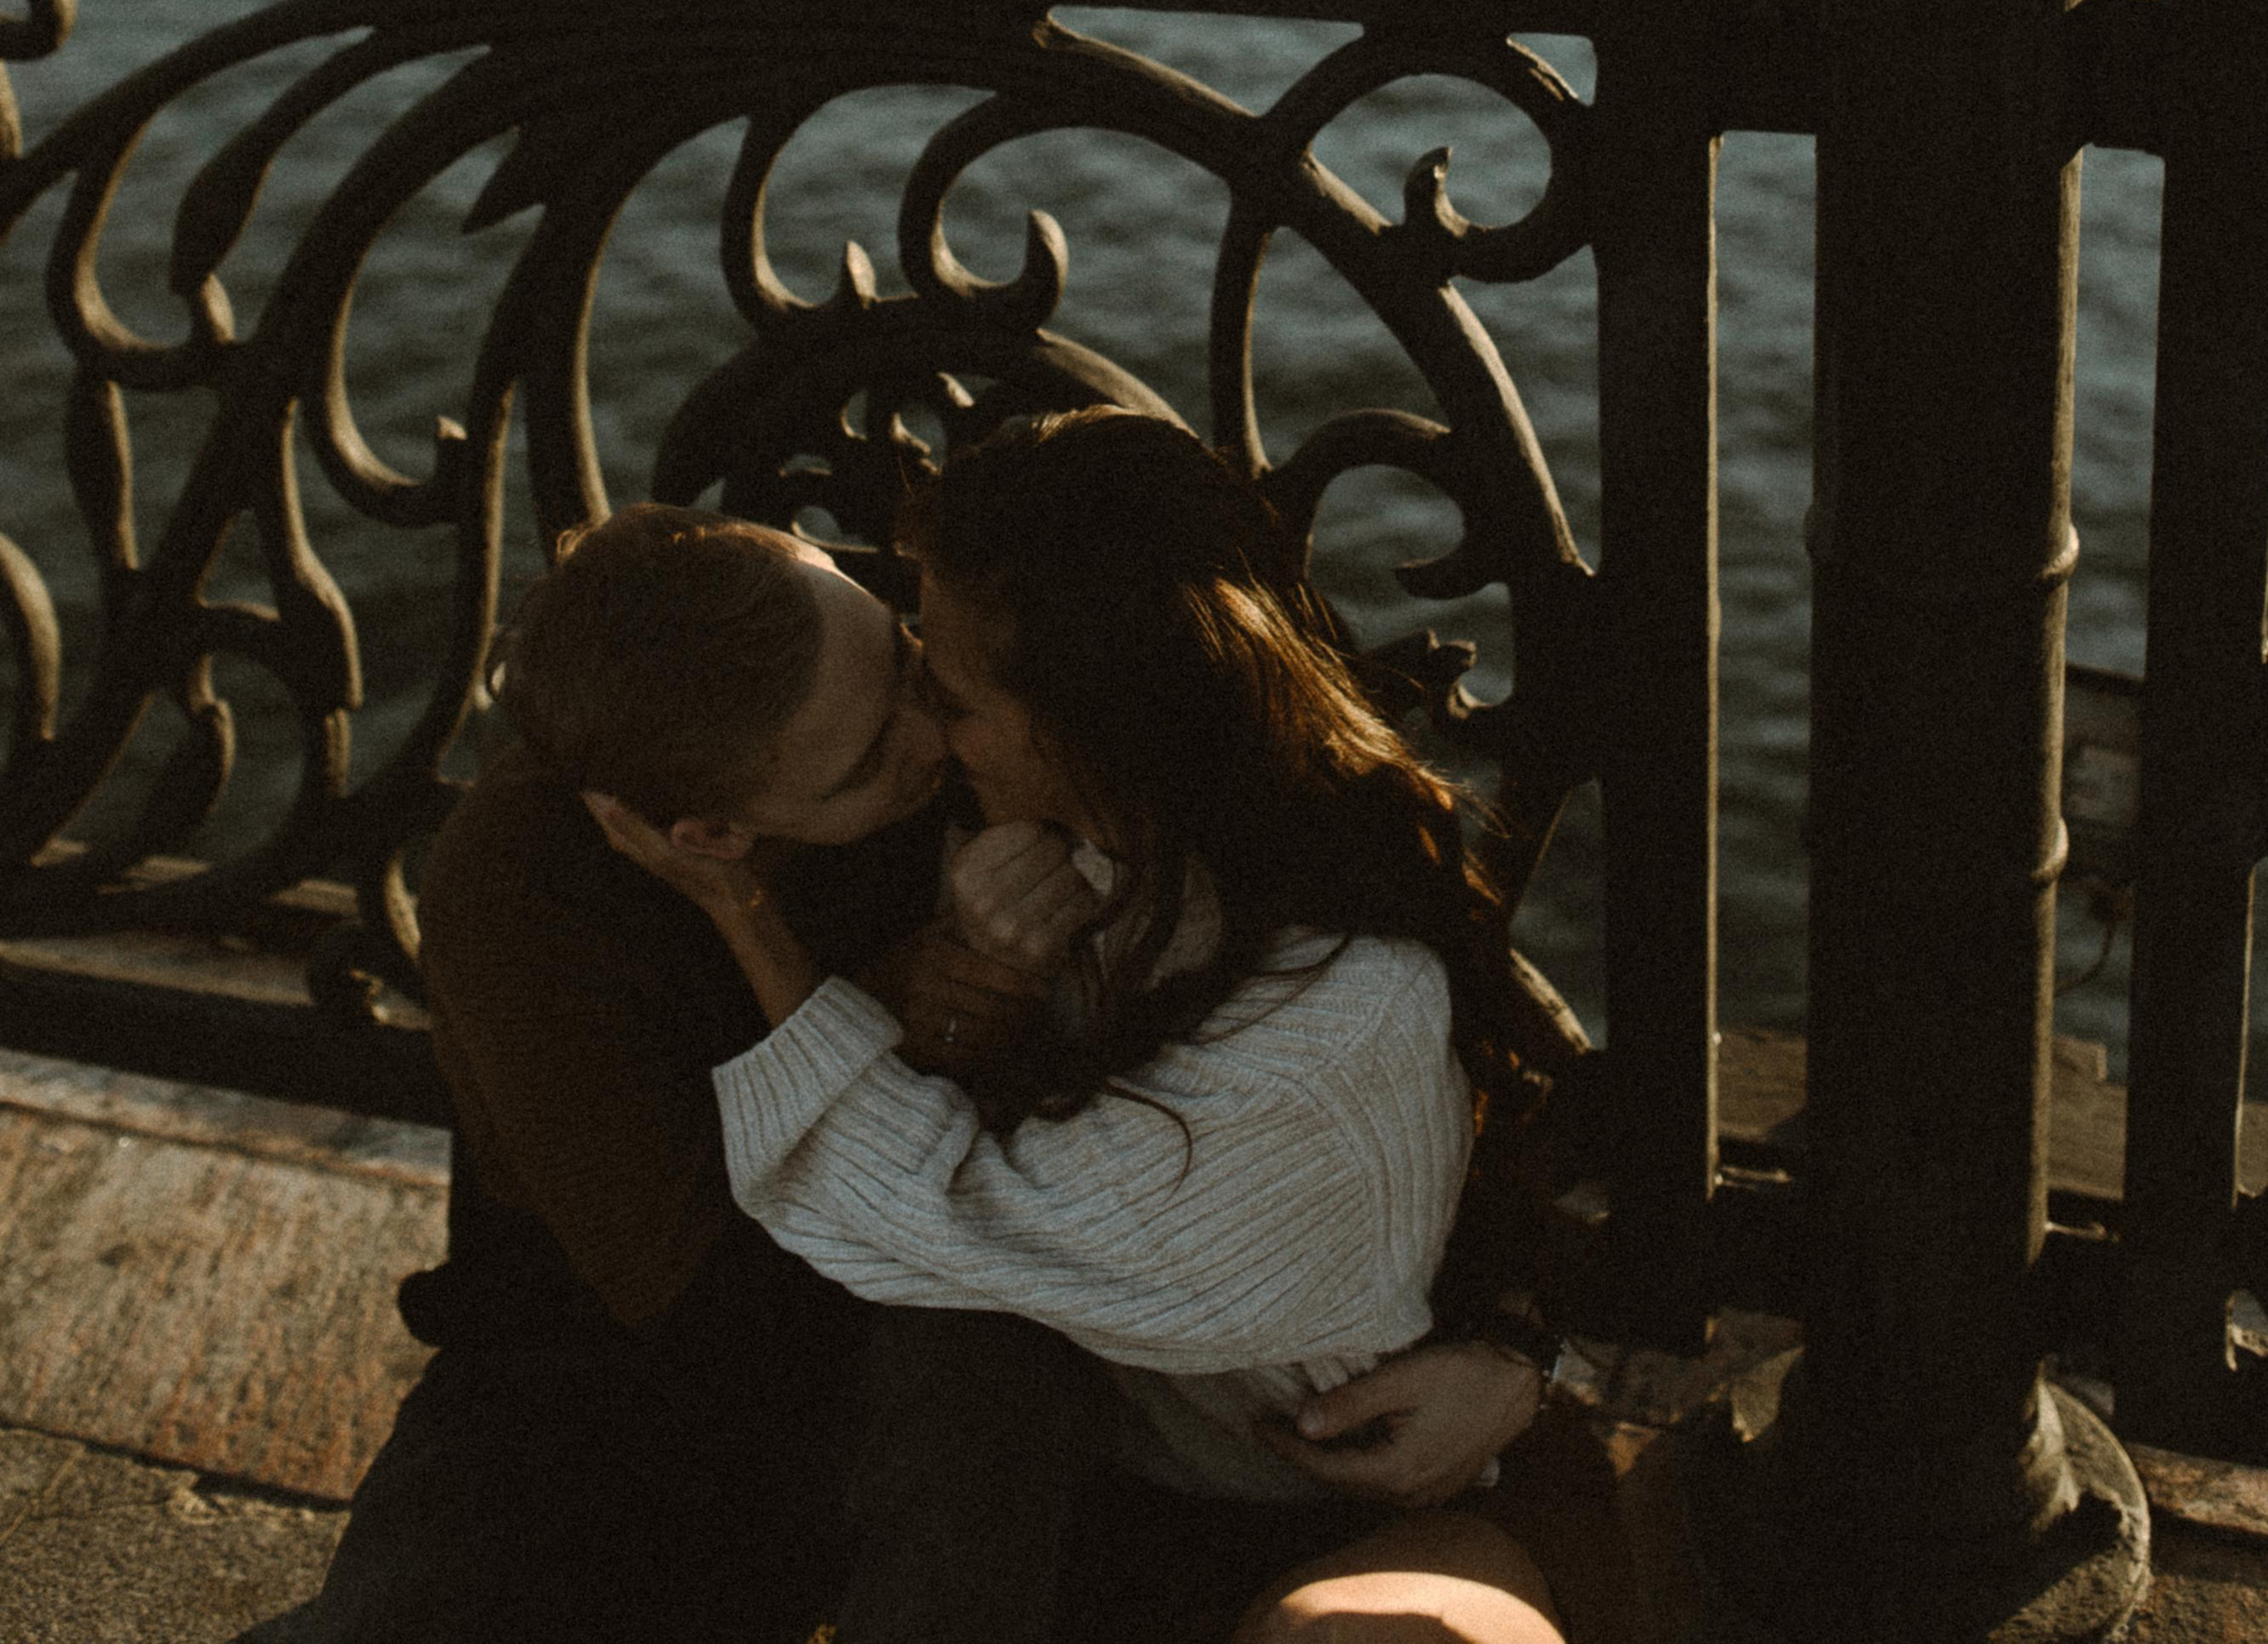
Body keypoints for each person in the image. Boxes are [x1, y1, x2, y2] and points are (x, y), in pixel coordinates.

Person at [247, 484, 1567, 1644]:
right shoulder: (528, 890)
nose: (935, 737)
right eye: (875, 758)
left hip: (1014, 1341)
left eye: (907, 662)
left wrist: (1516, 1342)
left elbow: (1438, 1010)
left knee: (983, 1393)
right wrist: (890, 1017)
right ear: (713, 835)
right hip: (611, 1362)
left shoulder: (970, 684)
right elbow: (725, 1316)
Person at [591, 410, 1634, 1644]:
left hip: (1349, 1506)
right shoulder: (1098, 845)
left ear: (1090, 725)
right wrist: (974, 985)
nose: (921, 734)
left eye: (947, 695)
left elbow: (941, 1211)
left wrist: (742, 911)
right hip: (1122, 1465)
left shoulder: (1328, 1016)